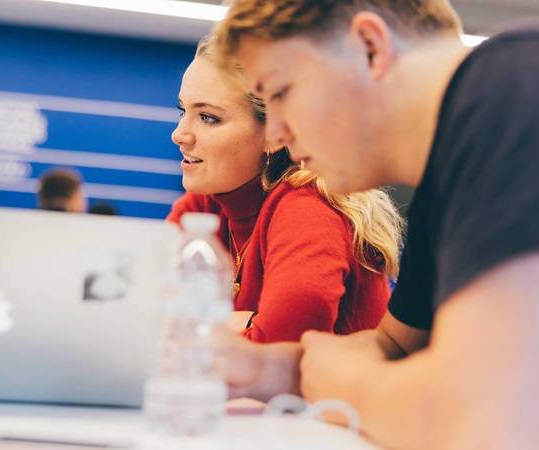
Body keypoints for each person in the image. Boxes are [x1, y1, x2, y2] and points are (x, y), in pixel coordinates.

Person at [213, 0, 539, 448]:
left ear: (369, 48)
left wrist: (343, 386)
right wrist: (265, 371)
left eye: (280, 93)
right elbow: (395, 347)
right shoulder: (444, 179)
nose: (276, 133)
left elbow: (484, 427)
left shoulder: (523, 84)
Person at [167, 35, 404, 344]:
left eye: (208, 118)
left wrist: (203, 324)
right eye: (182, 110)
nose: (179, 134)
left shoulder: (309, 209)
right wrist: (245, 323)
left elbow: (277, 351)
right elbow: (142, 313)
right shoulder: (204, 206)